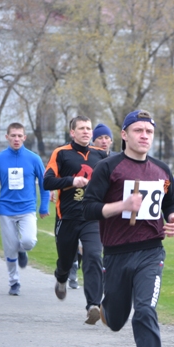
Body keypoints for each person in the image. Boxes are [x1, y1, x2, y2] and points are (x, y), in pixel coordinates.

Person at [83, 109, 174, 347]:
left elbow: (170, 203)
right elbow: (88, 209)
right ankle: (106, 308)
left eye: (149, 132)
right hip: (116, 254)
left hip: (151, 253)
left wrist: (173, 219)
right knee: (114, 322)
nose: (144, 136)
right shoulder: (109, 168)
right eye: (138, 130)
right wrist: (121, 207)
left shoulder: (162, 170)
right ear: (124, 135)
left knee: (145, 311)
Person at [44, 116, 107, 323]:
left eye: (89, 128)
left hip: (91, 217)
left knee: (93, 256)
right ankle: (61, 278)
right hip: (67, 217)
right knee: (65, 261)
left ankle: (93, 305)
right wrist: (72, 181)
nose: (86, 132)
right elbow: (47, 182)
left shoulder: (101, 155)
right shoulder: (61, 154)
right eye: (81, 128)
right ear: (72, 132)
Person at [0, 123, 50, 295]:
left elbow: (44, 184)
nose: (16, 139)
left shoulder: (34, 159)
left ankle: (22, 251)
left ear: (25, 137)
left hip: (27, 208)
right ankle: (14, 282)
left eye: (20, 135)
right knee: (10, 247)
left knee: (28, 241)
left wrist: (44, 206)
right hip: (6, 209)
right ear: (7, 137)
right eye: (13, 135)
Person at [68, 122, 117, 289]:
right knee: (89, 246)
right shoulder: (87, 158)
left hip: (111, 209)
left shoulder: (118, 158)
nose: (104, 141)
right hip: (88, 207)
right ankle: (74, 264)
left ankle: (104, 277)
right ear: (93, 140)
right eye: (100, 137)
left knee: (101, 246)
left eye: (107, 137)